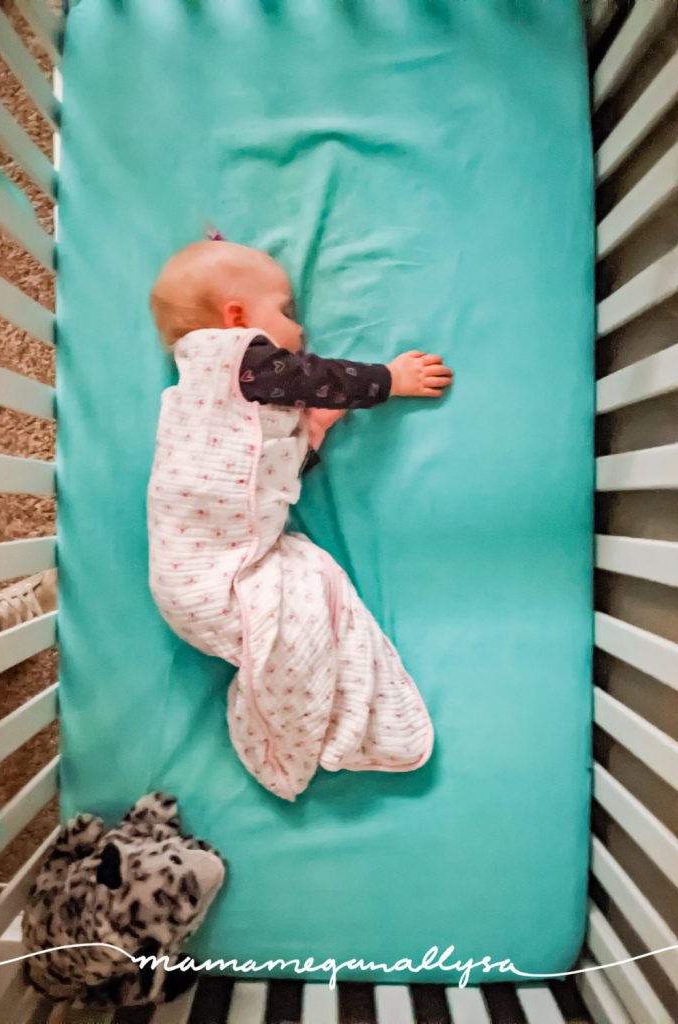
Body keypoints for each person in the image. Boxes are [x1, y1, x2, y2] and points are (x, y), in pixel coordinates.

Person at [147, 239, 453, 801]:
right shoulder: (231, 356)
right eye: (286, 312)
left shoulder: (225, 394)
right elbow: (318, 377)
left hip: (203, 580)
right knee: (306, 596)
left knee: (305, 586)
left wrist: (312, 433)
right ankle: (298, 722)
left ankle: (303, 710)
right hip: (211, 579)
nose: (301, 330)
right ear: (236, 318)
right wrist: (389, 379)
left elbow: (265, 483)